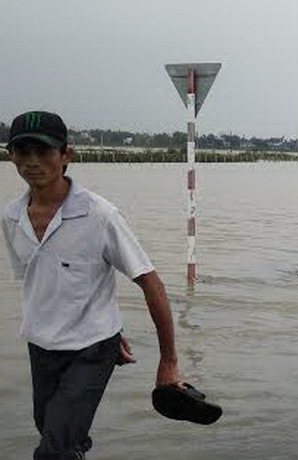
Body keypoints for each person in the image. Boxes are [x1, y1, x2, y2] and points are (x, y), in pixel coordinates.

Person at [2, 111, 183, 459]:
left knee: (52, 451)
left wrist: (168, 361)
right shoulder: (11, 217)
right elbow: (41, 283)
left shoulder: (101, 215)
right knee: (59, 436)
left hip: (90, 350)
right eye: (22, 151)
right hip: (40, 347)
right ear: (11, 155)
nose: (32, 162)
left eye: (43, 151)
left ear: (67, 155)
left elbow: (151, 282)